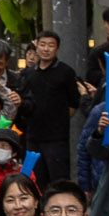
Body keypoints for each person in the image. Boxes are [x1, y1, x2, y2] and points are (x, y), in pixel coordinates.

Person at [14, 32, 85, 183]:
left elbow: (74, 103)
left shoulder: (65, 72)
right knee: (34, 182)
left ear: (57, 49)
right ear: (37, 46)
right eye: (43, 44)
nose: (46, 49)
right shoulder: (28, 74)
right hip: (33, 137)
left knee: (59, 182)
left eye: (51, 45)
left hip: (57, 139)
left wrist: (59, 119)